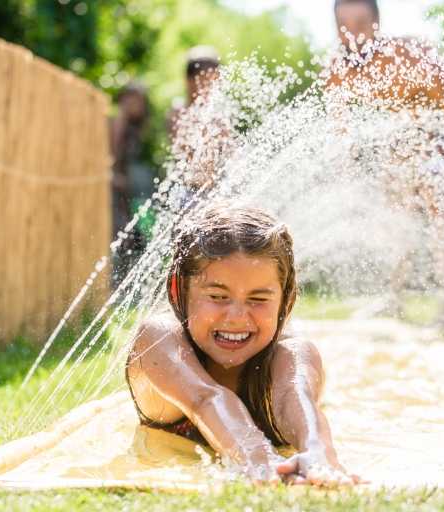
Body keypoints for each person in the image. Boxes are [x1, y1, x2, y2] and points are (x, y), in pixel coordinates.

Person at [125, 205, 357, 486]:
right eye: (218, 296)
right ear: (178, 289)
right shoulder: (158, 340)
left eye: (258, 300)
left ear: (286, 299)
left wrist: (319, 456)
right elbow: (206, 398)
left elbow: (295, 397)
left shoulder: (292, 353)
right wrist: (260, 460)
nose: (236, 317)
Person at [330, 0, 444, 326]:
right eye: (343, 24)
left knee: (438, 215)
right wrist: (343, 173)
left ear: (377, 23)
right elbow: (339, 128)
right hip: (404, 136)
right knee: (394, 220)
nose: (352, 33)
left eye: (360, 22)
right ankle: (393, 298)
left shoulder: (406, 55)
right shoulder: (339, 69)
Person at [167, 46, 230, 198]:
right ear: (188, 81)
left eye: (214, 81)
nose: (209, 87)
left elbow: (229, 153)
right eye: (203, 80)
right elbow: (183, 148)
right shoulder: (179, 112)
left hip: (214, 192)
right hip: (185, 191)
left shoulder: (219, 117)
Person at [108, 83, 153, 280]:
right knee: (123, 232)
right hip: (120, 190)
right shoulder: (119, 122)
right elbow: (113, 155)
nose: (139, 105)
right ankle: (120, 278)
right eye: (135, 100)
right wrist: (115, 176)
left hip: (132, 191)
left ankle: (128, 277)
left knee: (134, 232)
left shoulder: (135, 126)